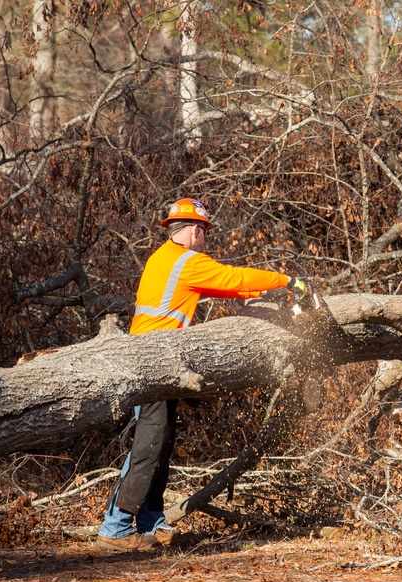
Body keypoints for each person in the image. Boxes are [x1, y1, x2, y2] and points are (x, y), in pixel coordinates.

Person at [96, 198, 308, 552]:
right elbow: (231, 277)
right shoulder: (186, 261)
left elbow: (225, 284)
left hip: (155, 359)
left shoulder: (166, 258)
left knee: (158, 445)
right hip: (153, 362)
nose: (205, 238)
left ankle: (150, 523)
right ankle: (115, 529)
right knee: (148, 448)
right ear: (195, 230)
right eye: (205, 232)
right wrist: (287, 281)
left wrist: (252, 294)